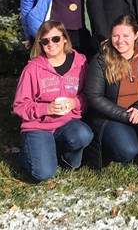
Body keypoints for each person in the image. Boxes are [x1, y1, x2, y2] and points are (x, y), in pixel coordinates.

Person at [84, 15, 138, 172]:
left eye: (125, 36)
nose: (120, 40)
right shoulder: (101, 60)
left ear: (136, 35)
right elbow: (94, 97)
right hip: (111, 115)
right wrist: (126, 116)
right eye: (115, 35)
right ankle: (118, 146)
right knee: (126, 151)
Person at [13, 20, 93, 182]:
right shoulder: (32, 69)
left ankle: (63, 158)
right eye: (45, 41)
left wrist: (75, 103)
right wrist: (46, 109)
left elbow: (90, 95)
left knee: (83, 136)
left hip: (68, 122)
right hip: (38, 126)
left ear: (65, 39)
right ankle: (26, 154)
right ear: (40, 44)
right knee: (43, 174)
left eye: (55, 39)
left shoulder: (81, 63)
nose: (51, 44)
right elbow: (20, 105)